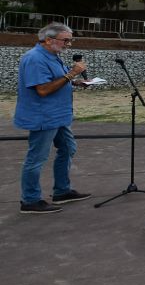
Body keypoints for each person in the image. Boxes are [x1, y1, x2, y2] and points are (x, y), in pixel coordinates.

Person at [15, 23, 92, 214]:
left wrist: (75, 81)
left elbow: (55, 79)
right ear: (48, 40)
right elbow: (42, 89)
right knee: (37, 158)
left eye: (70, 40)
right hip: (43, 116)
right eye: (66, 40)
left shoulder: (52, 56)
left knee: (67, 148)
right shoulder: (35, 59)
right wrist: (72, 73)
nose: (69, 44)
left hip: (58, 115)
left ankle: (62, 191)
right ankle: (30, 200)